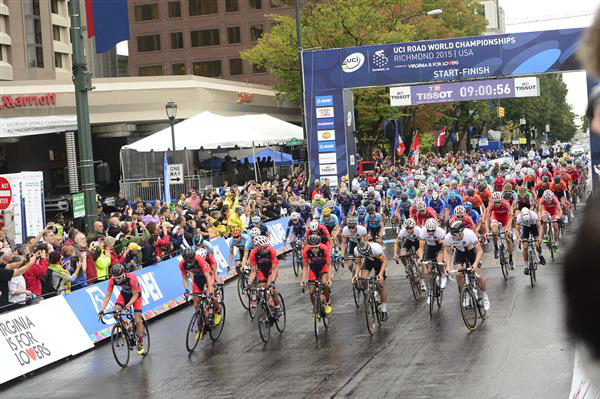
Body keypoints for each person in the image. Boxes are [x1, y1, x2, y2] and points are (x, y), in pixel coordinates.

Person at [98, 264, 146, 355]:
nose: (117, 280)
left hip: (136, 296)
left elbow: (135, 295)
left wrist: (127, 306)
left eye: (119, 278)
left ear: (124, 274)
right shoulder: (112, 280)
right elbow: (108, 295)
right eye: (115, 278)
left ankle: (141, 342)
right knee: (115, 313)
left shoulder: (132, 278)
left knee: (138, 320)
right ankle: (125, 325)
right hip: (124, 294)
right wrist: (102, 310)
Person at [443, 221, 489, 311]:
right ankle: (466, 293)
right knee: (458, 274)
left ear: (461, 232)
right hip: (460, 252)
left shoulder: (470, 234)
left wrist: (475, 264)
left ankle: (484, 296)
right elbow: (449, 253)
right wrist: (448, 266)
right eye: (452, 234)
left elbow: (480, 251)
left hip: (471, 251)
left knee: (478, 276)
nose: (453, 236)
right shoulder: (448, 238)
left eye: (455, 234)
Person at [179, 247, 221, 337]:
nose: (189, 263)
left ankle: (217, 310)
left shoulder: (200, 261)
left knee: (211, 296)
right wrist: (186, 290)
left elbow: (208, 278)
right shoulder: (182, 264)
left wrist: (210, 293)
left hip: (207, 276)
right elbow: (185, 278)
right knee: (196, 305)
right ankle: (201, 328)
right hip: (197, 279)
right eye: (187, 261)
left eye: (191, 261)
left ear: (194, 257)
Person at [353, 241, 388, 322]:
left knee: (380, 283)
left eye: (370, 253)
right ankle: (368, 292)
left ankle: (384, 310)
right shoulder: (357, 250)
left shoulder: (376, 248)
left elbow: (385, 262)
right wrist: (356, 274)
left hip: (379, 261)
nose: (370, 254)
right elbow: (358, 264)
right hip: (368, 261)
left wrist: (380, 274)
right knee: (363, 278)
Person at [247, 235, 282, 313]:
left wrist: (272, 282)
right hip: (262, 270)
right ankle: (267, 305)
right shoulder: (253, 253)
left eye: (267, 246)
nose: (266, 249)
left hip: (271, 270)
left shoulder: (271, 250)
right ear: (258, 247)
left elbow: (274, 268)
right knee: (261, 288)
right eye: (264, 248)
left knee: (270, 288)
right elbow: (253, 271)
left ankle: (277, 305)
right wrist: (248, 285)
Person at [301, 234, 332, 315]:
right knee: (311, 292)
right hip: (313, 268)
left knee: (325, 283)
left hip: (323, 267)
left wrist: (329, 278)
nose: (314, 249)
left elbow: (329, 265)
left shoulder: (324, 248)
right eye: (312, 247)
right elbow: (305, 266)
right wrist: (303, 280)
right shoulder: (306, 250)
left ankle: (328, 302)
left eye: (316, 247)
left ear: (319, 245)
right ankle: (315, 307)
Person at [394, 218, 425, 292]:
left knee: (420, 260)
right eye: (407, 228)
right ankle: (407, 267)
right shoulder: (402, 231)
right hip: (409, 241)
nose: (408, 230)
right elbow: (397, 242)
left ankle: (422, 281)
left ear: (414, 226)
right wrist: (395, 253)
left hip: (419, 242)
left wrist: (420, 251)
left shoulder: (419, 231)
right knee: (402, 254)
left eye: (410, 228)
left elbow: (422, 245)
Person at [515, 207, 545, 275]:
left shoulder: (534, 215)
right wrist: (519, 239)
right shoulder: (519, 217)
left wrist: (540, 237)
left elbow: (540, 227)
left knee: (537, 244)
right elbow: (517, 230)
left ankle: (540, 255)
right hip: (525, 228)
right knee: (525, 247)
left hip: (533, 226)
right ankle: (526, 266)